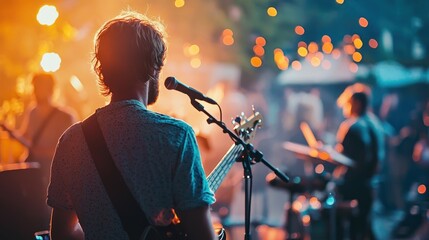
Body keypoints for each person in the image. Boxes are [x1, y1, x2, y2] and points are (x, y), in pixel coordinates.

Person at [47, 11, 217, 240]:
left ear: (103, 71)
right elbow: (203, 236)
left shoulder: (71, 140)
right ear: (153, 68)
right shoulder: (176, 136)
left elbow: (61, 234)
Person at [1, 73, 77, 187]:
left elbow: (70, 149)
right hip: (32, 172)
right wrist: (9, 132)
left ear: (50, 89)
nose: (35, 92)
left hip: (53, 174)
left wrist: (43, 152)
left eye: (39, 87)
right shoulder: (32, 112)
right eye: (34, 87)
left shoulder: (65, 116)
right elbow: (25, 136)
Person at [335, 90, 384, 240]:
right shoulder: (374, 124)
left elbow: (345, 157)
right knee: (364, 225)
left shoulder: (354, 127)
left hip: (353, 184)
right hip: (369, 183)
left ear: (356, 103)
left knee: (350, 225)